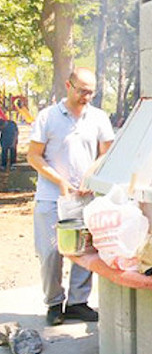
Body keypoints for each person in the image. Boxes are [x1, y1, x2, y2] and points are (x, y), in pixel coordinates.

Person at [27, 68, 115, 325]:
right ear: (68, 86)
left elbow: (107, 153)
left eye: (91, 92)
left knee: (85, 250)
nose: (86, 97)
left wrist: (91, 175)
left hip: (86, 196)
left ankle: (78, 302)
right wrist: (60, 181)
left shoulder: (98, 117)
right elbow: (33, 156)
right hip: (51, 197)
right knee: (50, 253)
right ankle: (54, 303)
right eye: (82, 91)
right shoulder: (48, 117)